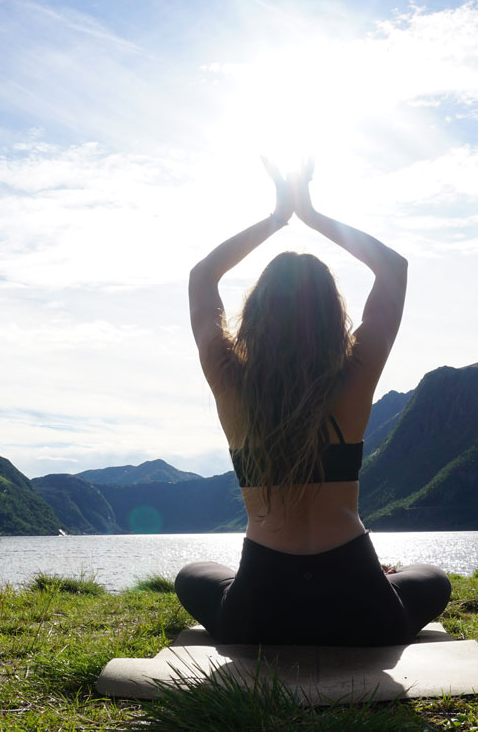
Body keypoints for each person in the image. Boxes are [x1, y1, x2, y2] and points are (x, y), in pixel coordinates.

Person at [174, 158, 450, 646]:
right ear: (332, 314)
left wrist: (278, 216)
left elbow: (201, 279)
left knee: (194, 574)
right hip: (362, 607)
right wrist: (312, 213)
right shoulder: (355, 377)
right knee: (431, 577)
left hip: (258, 613)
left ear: (255, 315)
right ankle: (381, 580)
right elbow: (394, 268)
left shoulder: (229, 381)